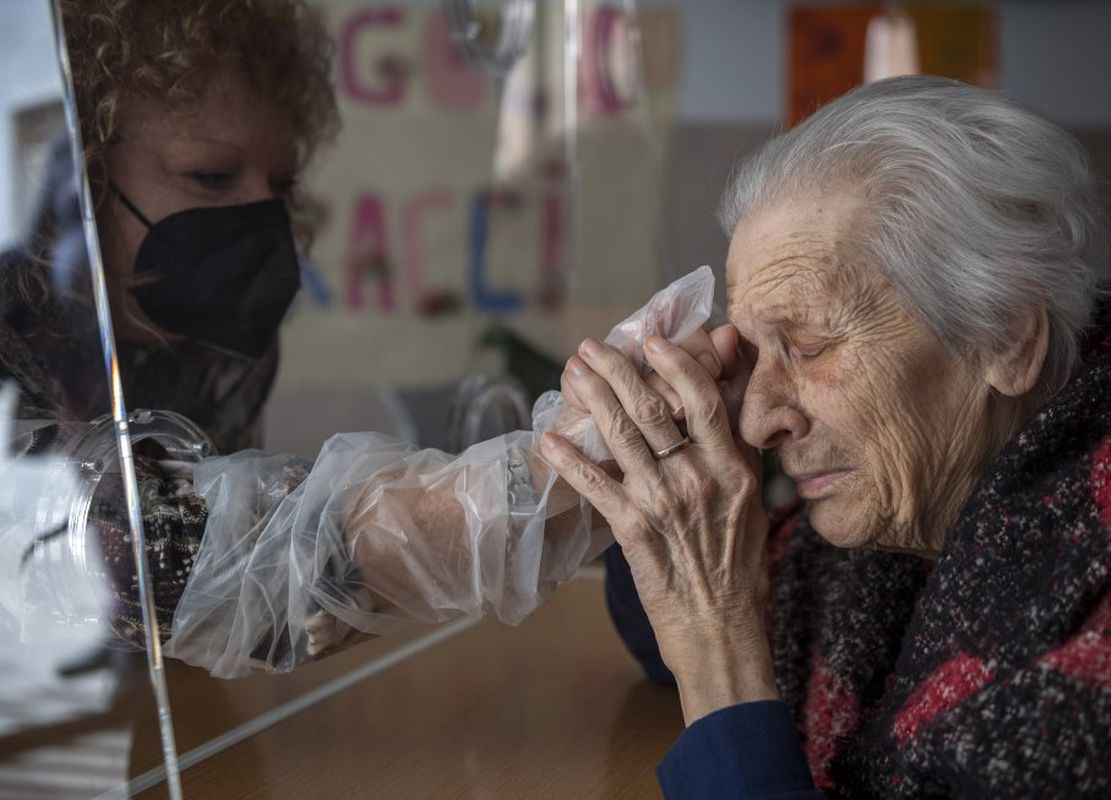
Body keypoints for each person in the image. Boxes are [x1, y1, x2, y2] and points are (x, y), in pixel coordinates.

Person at [1, 0, 723, 676]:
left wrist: (583, 483)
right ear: (79, 172)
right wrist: (530, 480)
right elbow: (132, 554)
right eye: (212, 175)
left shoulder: (205, 344)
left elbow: (239, 618)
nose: (261, 215)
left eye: (282, 184)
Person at [542, 75, 1111, 798]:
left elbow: (720, 654)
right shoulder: (904, 522)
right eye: (754, 356)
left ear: (1005, 338)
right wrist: (660, 471)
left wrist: (717, 638)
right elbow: (669, 645)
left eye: (810, 345)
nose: (757, 421)